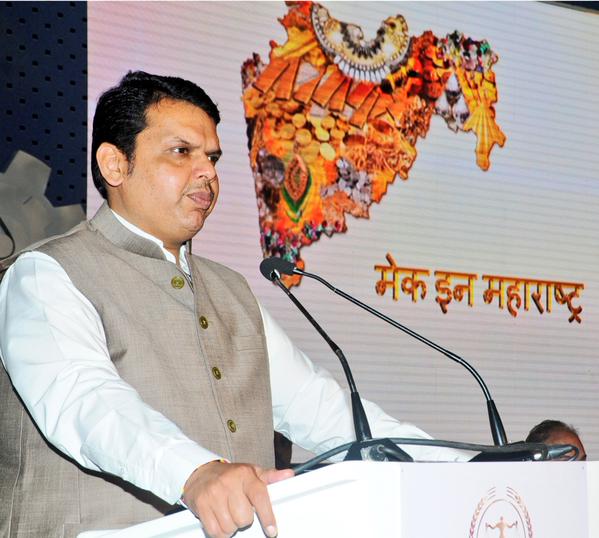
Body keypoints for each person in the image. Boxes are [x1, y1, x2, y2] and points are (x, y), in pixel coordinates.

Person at [0, 71, 467, 538]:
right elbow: (84, 401)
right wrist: (195, 473)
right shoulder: (46, 274)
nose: (207, 172)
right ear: (115, 165)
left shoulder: (231, 290)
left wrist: (460, 465)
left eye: (212, 158)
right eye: (181, 152)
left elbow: (320, 408)